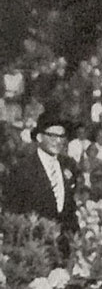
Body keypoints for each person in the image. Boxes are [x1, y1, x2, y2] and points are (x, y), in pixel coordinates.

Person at [1, 108, 80, 256]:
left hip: (64, 250)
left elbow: (70, 209)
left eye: (62, 136)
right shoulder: (22, 169)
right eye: (52, 135)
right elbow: (12, 213)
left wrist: (75, 243)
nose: (58, 141)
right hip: (34, 249)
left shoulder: (68, 165)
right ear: (39, 137)